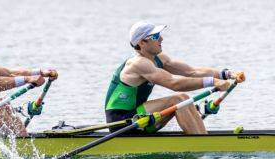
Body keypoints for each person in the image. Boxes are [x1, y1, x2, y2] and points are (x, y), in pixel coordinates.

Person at [104, 20, 245, 134]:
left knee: (184, 99)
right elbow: (174, 84)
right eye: (155, 36)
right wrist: (213, 82)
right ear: (141, 43)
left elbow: (192, 72)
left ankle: (202, 138)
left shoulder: (159, 58)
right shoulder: (138, 64)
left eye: (159, 34)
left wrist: (227, 74)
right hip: (122, 122)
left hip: (142, 117)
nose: (161, 38)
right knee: (178, 99)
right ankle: (200, 144)